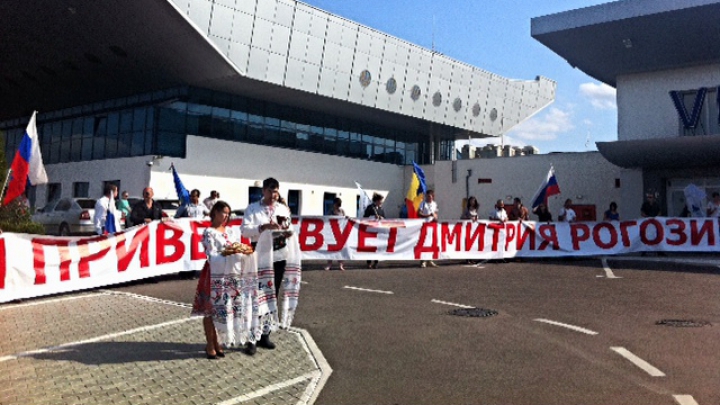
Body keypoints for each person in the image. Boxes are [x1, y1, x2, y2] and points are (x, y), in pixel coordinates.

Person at [191, 201, 259, 359]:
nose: (226, 216)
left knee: (224, 310)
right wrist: (228, 252)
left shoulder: (230, 231)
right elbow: (211, 255)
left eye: (228, 213)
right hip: (214, 274)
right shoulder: (209, 232)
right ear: (214, 213)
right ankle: (210, 344)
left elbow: (237, 248)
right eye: (223, 212)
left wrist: (242, 252)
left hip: (231, 274)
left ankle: (219, 341)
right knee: (210, 310)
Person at [242, 177, 301, 353]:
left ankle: (264, 334)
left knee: (271, 295)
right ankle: (251, 338)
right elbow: (245, 231)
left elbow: (289, 228)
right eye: (270, 191)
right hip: (259, 256)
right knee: (256, 297)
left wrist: (287, 231)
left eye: (276, 191)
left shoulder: (283, 208)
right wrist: (263, 227)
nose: (273, 195)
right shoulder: (253, 209)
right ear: (263, 191)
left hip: (279, 256)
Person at [363, 193, 386, 269]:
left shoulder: (381, 209)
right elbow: (365, 217)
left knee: (378, 246)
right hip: (370, 230)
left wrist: (382, 218)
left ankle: (376, 262)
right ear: (377, 200)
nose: (381, 202)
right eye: (380, 200)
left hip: (378, 231)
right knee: (370, 246)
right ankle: (368, 262)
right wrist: (372, 216)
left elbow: (385, 218)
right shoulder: (370, 208)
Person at [418, 190, 439, 268]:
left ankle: (430, 260)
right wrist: (428, 215)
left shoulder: (434, 204)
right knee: (424, 242)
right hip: (425, 224)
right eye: (427, 196)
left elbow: (436, 213)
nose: (428, 197)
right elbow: (419, 213)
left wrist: (435, 218)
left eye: (430, 196)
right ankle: (423, 261)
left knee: (431, 242)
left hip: (432, 225)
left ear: (432, 196)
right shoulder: (423, 204)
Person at [325, 197, 346, 271]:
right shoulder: (330, 211)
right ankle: (329, 264)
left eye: (338, 205)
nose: (337, 206)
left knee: (340, 248)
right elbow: (326, 219)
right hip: (332, 232)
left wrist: (347, 218)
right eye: (336, 204)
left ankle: (341, 264)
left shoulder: (342, 211)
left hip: (340, 232)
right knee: (330, 248)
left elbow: (345, 219)